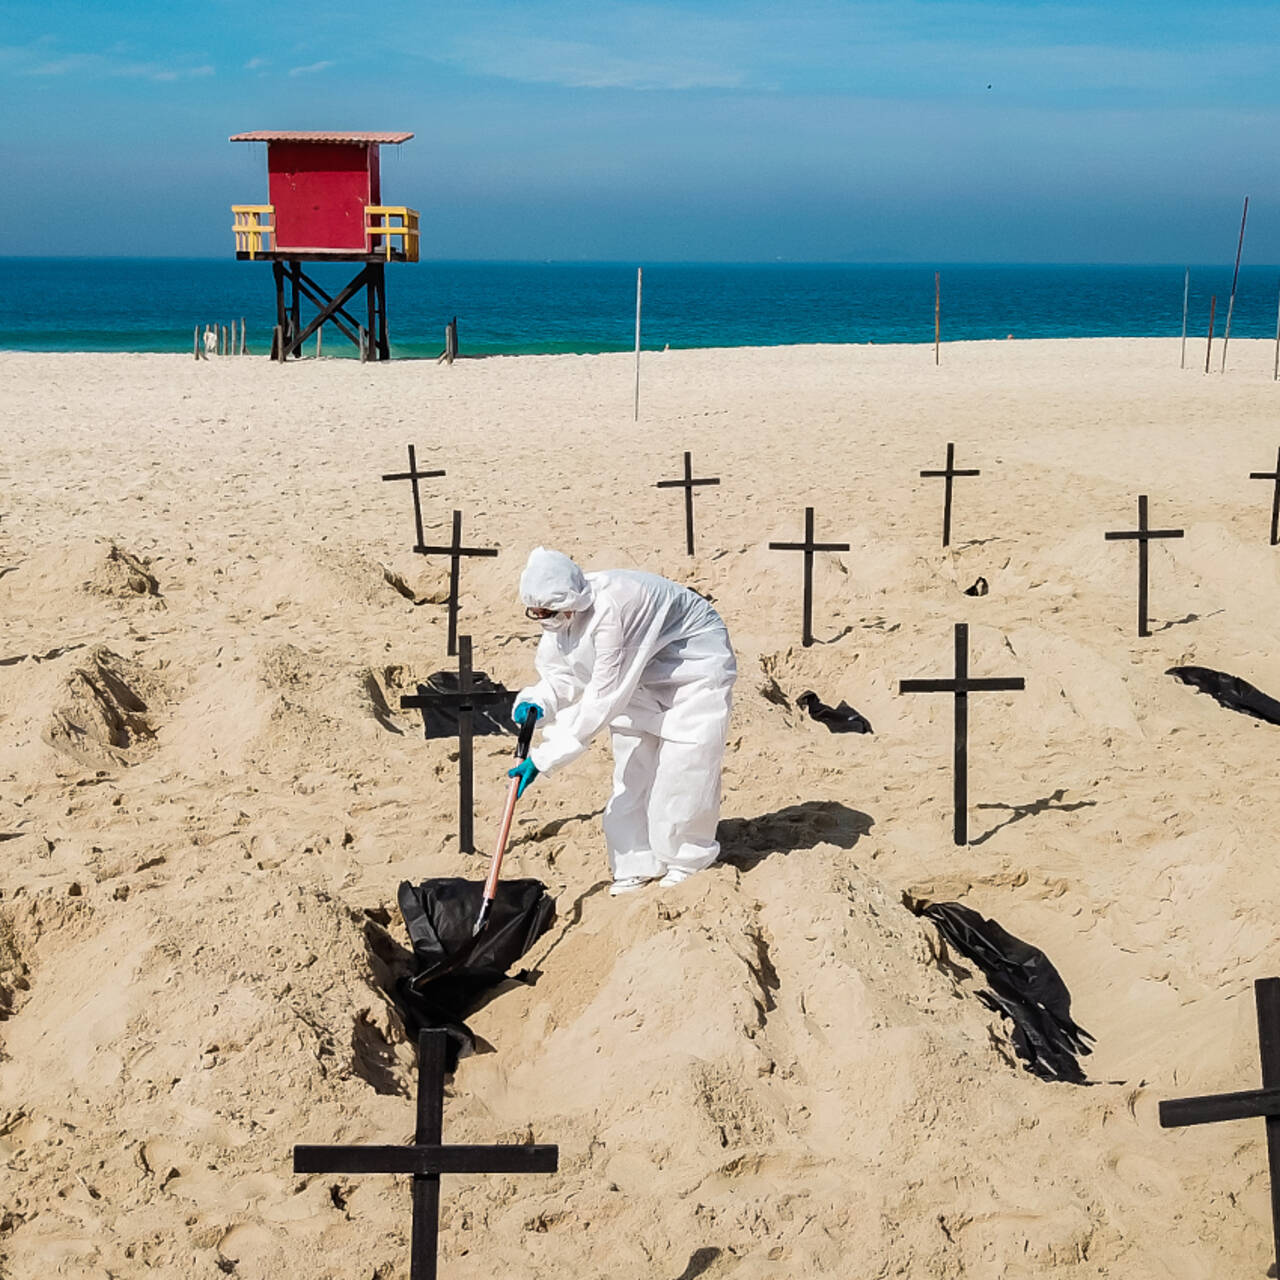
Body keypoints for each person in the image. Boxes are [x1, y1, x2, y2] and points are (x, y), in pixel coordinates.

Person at [508, 547, 737, 895]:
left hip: (692, 667)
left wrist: (543, 758)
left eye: (548, 612)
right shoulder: (560, 613)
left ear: (571, 602)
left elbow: (602, 699)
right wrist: (539, 701)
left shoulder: (612, 611)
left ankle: (686, 859)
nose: (543, 618)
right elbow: (561, 671)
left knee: (684, 766)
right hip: (639, 670)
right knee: (631, 772)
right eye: (536, 613)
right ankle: (636, 863)